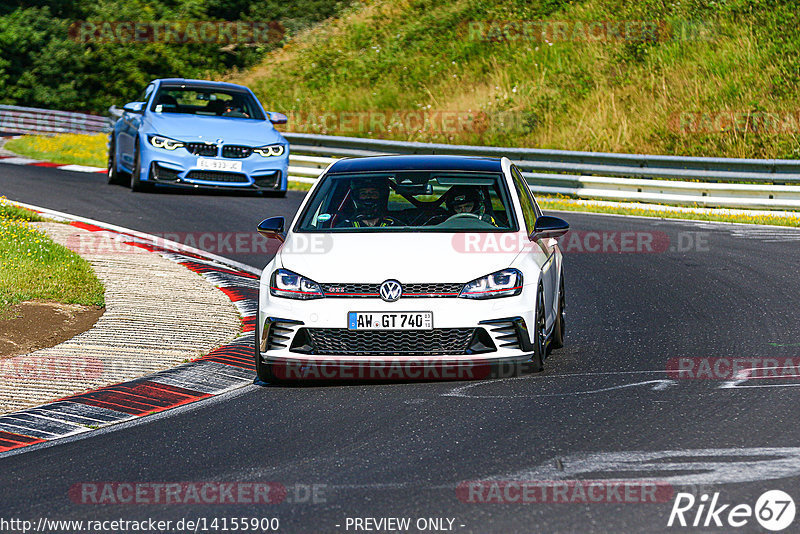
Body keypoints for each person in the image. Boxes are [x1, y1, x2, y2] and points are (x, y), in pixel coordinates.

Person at [336, 179, 401, 227]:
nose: (369, 196)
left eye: (373, 193)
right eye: (364, 193)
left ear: (381, 196)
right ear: (357, 196)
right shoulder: (346, 226)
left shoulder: (395, 225)